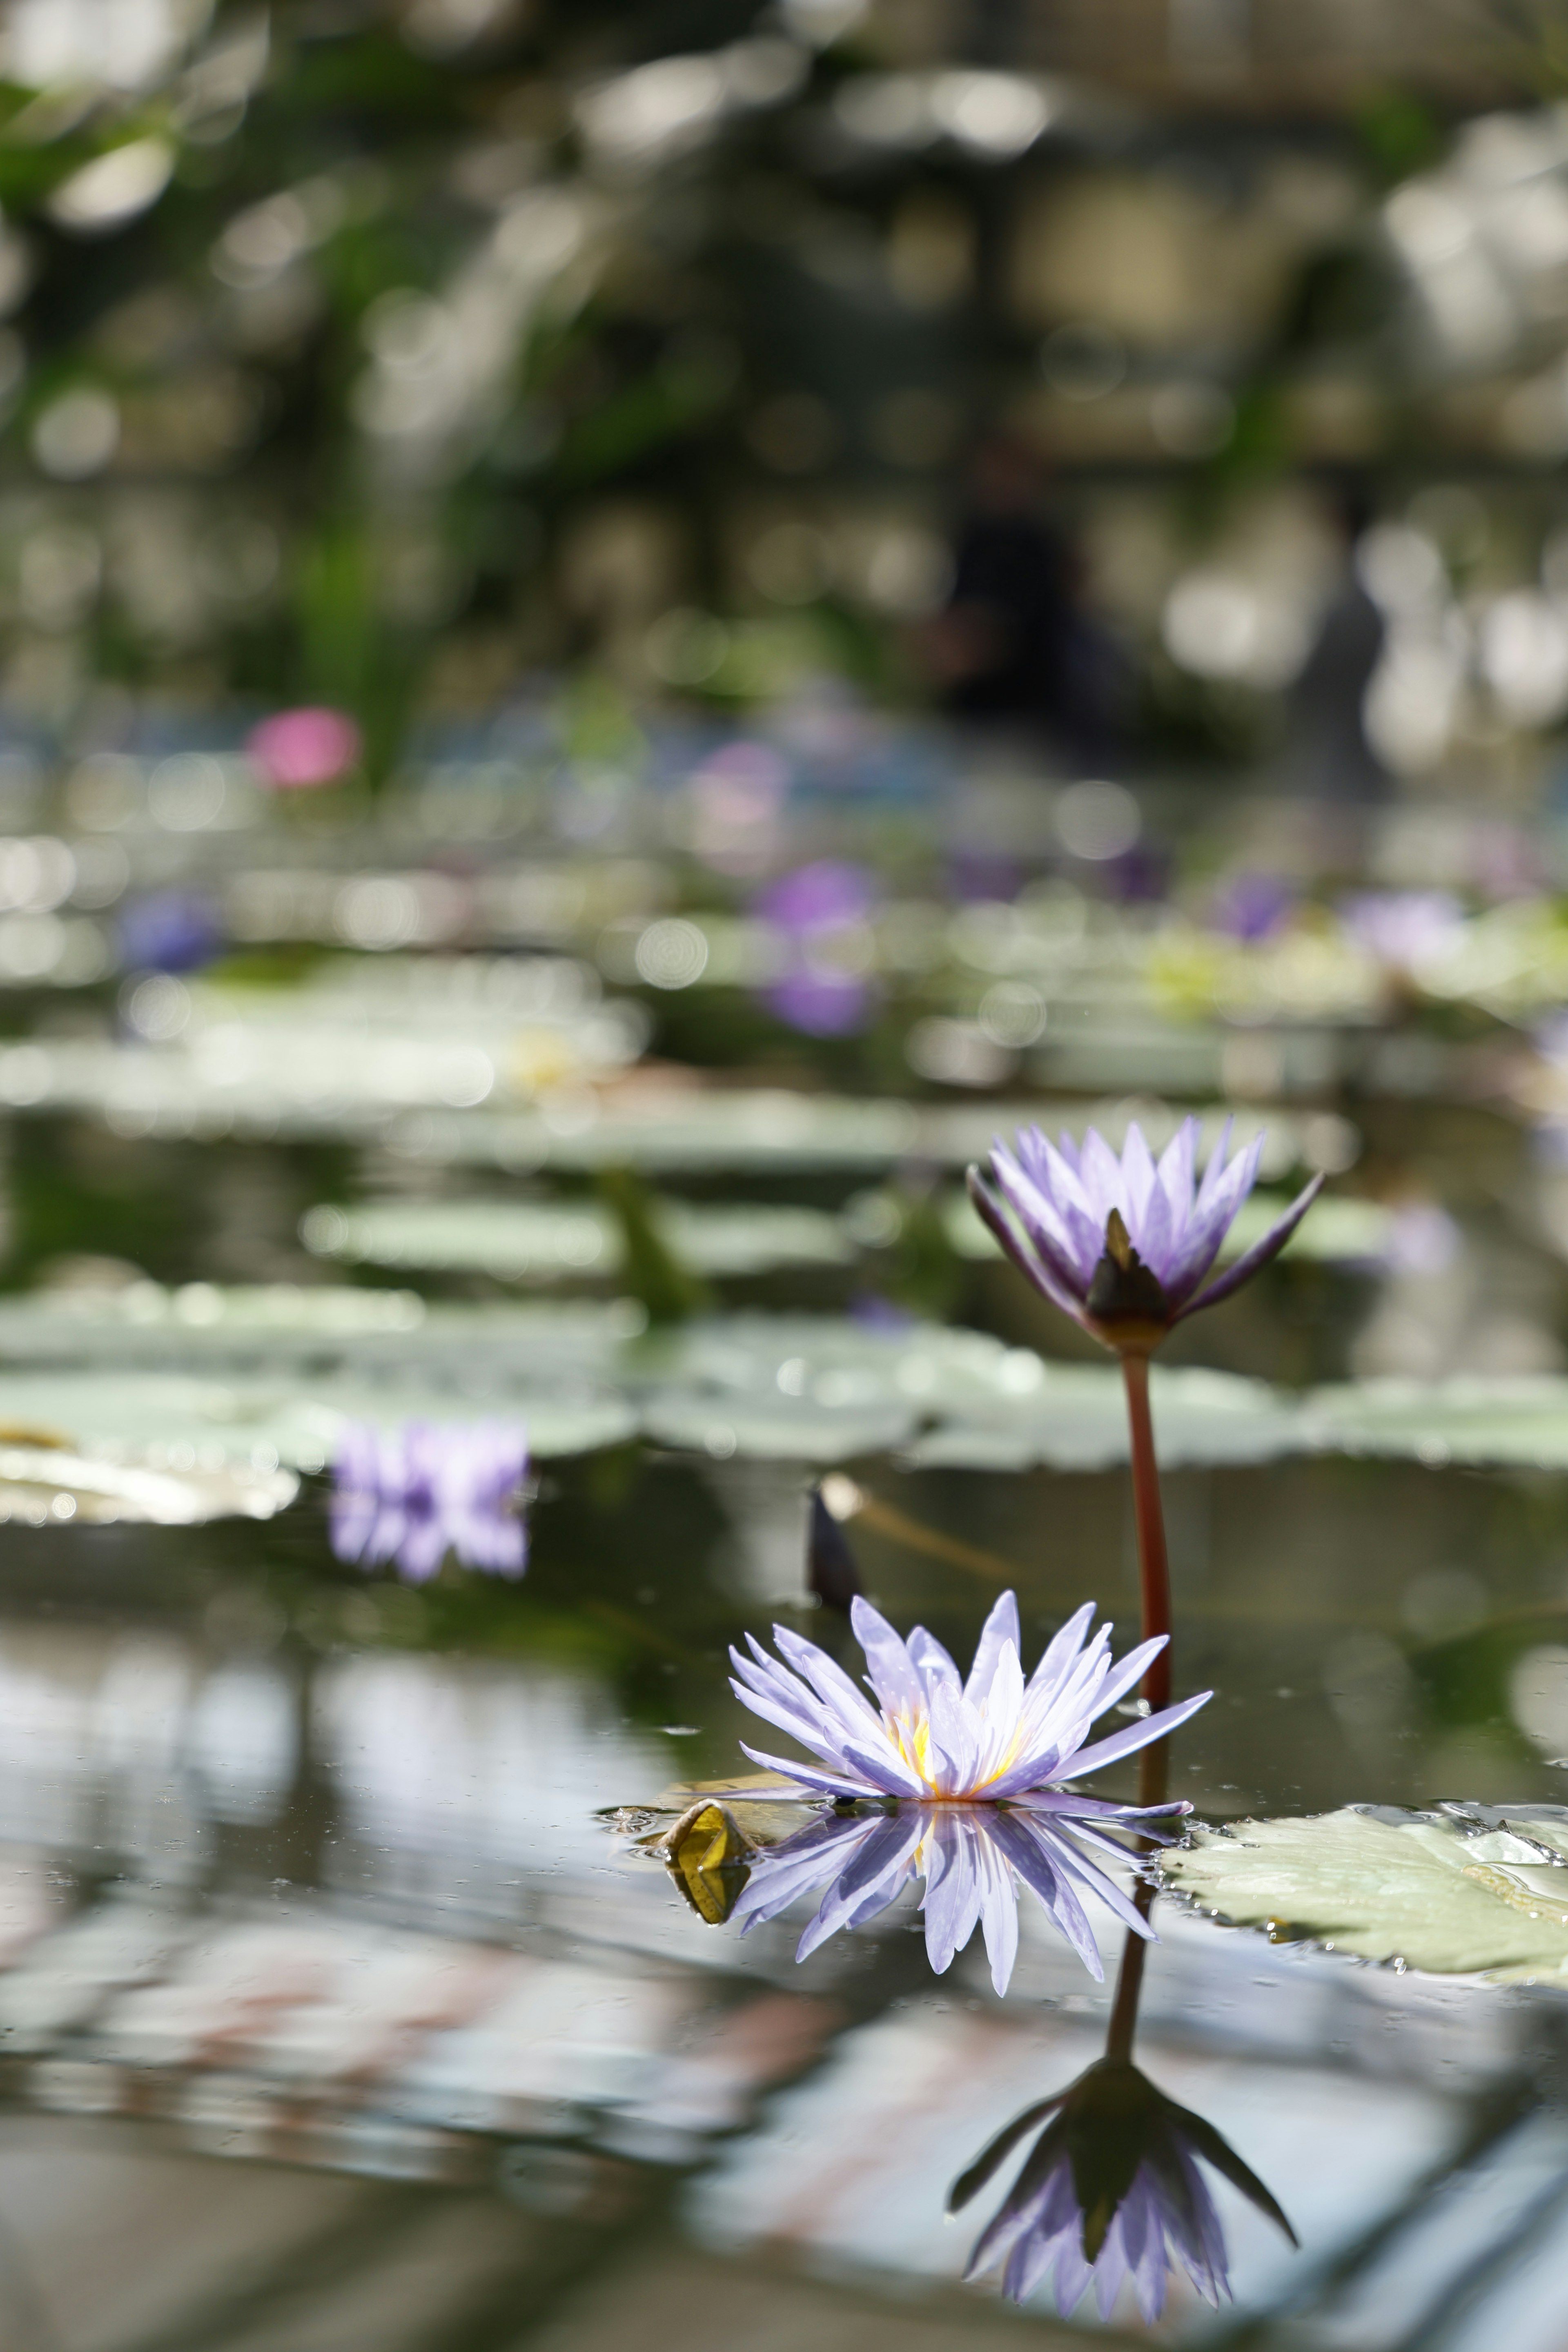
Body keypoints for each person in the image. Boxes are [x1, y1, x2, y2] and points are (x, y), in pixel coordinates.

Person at [924, 430, 1126, 765]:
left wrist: (973, 639)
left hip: (1031, 720)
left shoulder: (1041, 545)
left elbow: (1026, 626)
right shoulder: (973, 539)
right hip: (975, 718)